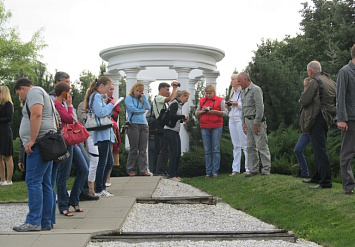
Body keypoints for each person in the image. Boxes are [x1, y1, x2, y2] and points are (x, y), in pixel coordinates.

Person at [13, 78, 55, 232]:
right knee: (45, 183)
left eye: (19, 94)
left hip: (38, 144)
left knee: (33, 182)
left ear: (22, 88)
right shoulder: (42, 92)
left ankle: (33, 221)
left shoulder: (34, 92)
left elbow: (36, 114)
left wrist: (31, 140)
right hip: (45, 143)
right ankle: (45, 221)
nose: (20, 98)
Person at [54, 82, 89, 216]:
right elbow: (69, 119)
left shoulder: (61, 105)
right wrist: (69, 105)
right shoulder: (57, 105)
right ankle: (63, 204)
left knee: (84, 169)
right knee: (63, 174)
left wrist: (68, 106)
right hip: (64, 143)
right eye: (68, 93)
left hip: (71, 142)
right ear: (63, 93)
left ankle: (74, 199)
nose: (70, 96)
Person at [300, 61, 336, 189]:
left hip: (317, 117)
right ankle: (316, 176)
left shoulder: (314, 81)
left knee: (320, 150)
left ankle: (325, 181)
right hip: (327, 118)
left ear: (310, 71)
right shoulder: (330, 81)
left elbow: (304, 100)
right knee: (318, 148)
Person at [85, 76, 115, 197]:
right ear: (101, 86)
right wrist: (111, 104)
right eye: (108, 87)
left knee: (108, 161)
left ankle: (101, 187)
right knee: (104, 161)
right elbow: (100, 112)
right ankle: (99, 188)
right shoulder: (96, 96)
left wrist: (108, 105)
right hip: (101, 133)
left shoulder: (98, 97)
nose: (109, 90)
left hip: (105, 132)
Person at [238, 72, 271, 177]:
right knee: (250, 146)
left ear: (245, 80)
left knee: (261, 145)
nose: (239, 83)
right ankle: (253, 169)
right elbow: (243, 108)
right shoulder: (243, 92)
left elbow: (260, 107)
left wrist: (256, 123)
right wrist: (243, 122)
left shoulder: (255, 89)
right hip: (247, 121)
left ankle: (266, 169)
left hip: (256, 120)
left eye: (239, 81)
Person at [195, 84, 228, 178]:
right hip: (204, 126)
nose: (208, 95)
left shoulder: (220, 100)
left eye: (210, 93)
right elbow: (196, 112)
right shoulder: (202, 100)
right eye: (207, 93)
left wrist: (215, 112)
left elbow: (225, 113)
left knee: (216, 149)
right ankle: (208, 171)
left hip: (216, 126)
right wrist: (203, 110)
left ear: (214, 92)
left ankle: (215, 171)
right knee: (207, 150)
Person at [337, 44, 355, 195]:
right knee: (347, 154)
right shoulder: (345, 72)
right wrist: (341, 119)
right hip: (350, 120)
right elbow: (340, 96)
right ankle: (348, 186)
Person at [125, 82, 151, 176]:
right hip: (134, 124)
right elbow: (132, 109)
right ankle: (131, 169)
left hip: (144, 124)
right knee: (134, 148)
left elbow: (148, 107)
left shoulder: (141, 99)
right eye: (137, 91)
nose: (138, 93)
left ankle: (144, 170)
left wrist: (144, 97)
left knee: (143, 148)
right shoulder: (129, 98)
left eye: (140, 91)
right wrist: (142, 110)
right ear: (133, 89)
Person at [152, 82, 178, 176]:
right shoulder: (158, 98)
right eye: (167, 89)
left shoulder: (161, 100)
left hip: (162, 125)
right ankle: (159, 171)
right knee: (164, 149)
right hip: (161, 126)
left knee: (163, 149)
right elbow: (170, 99)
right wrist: (175, 88)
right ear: (161, 89)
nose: (169, 91)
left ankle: (160, 170)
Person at [164, 90, 189, 181]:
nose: (187, 100)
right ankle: (171, 174)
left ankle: (175, 173)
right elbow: (171, 116)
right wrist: (183, 116)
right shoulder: (174, 104)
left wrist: (181, 119)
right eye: (186, 98)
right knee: (174, 152)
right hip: (170, 130)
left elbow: (175, 118)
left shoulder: (179, 105)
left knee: (178, 152)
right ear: (182, 96)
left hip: (175, 130)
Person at [227, 74, 249, 176]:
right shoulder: (232, 93)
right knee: (236, 145)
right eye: (231, 79)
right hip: (232, 119)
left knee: (244, 144)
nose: (232, 81)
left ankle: (248, 168)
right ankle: (235, 169)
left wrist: (235, 104)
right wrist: (228, 105)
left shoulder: (242, 92)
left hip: (240, 119)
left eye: (233, 79)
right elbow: (231, 107)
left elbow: (245, 106)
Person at [294, 77, 312, 178]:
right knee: (298, 150)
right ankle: (304, 172)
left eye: (306, 86)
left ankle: (306, 172)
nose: (304, 88)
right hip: (305, 128)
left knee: (298, 149)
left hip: (310, 128)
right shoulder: (305, 98)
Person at [106, 83, 121, 187]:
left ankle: (108, 177)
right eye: (110, 89)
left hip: (112, 128)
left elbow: (116, 114)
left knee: (110, 154)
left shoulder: (113, 100)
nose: (111, 91)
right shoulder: (99, 100)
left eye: (113, 89)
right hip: (103, 129)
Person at [0, 86, 14, 185]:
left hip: (5, 131)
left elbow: (9, 118)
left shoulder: (8, 104)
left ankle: (9, 180)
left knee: (7, 155)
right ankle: (2, 179)